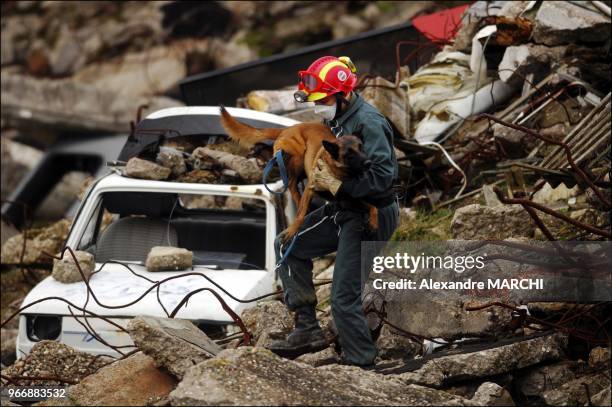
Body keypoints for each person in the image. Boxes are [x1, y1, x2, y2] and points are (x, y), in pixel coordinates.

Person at [267, 56, 399, 367]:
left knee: (343, 299)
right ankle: (307, 329)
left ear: (342, 94)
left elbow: (383, 178)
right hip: (344, 210)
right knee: (287, 244)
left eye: (323, 99)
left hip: (371, 215)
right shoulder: (338, 119)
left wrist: (338, 187)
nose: (318, 105)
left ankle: (361, 362)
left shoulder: (369, 123)